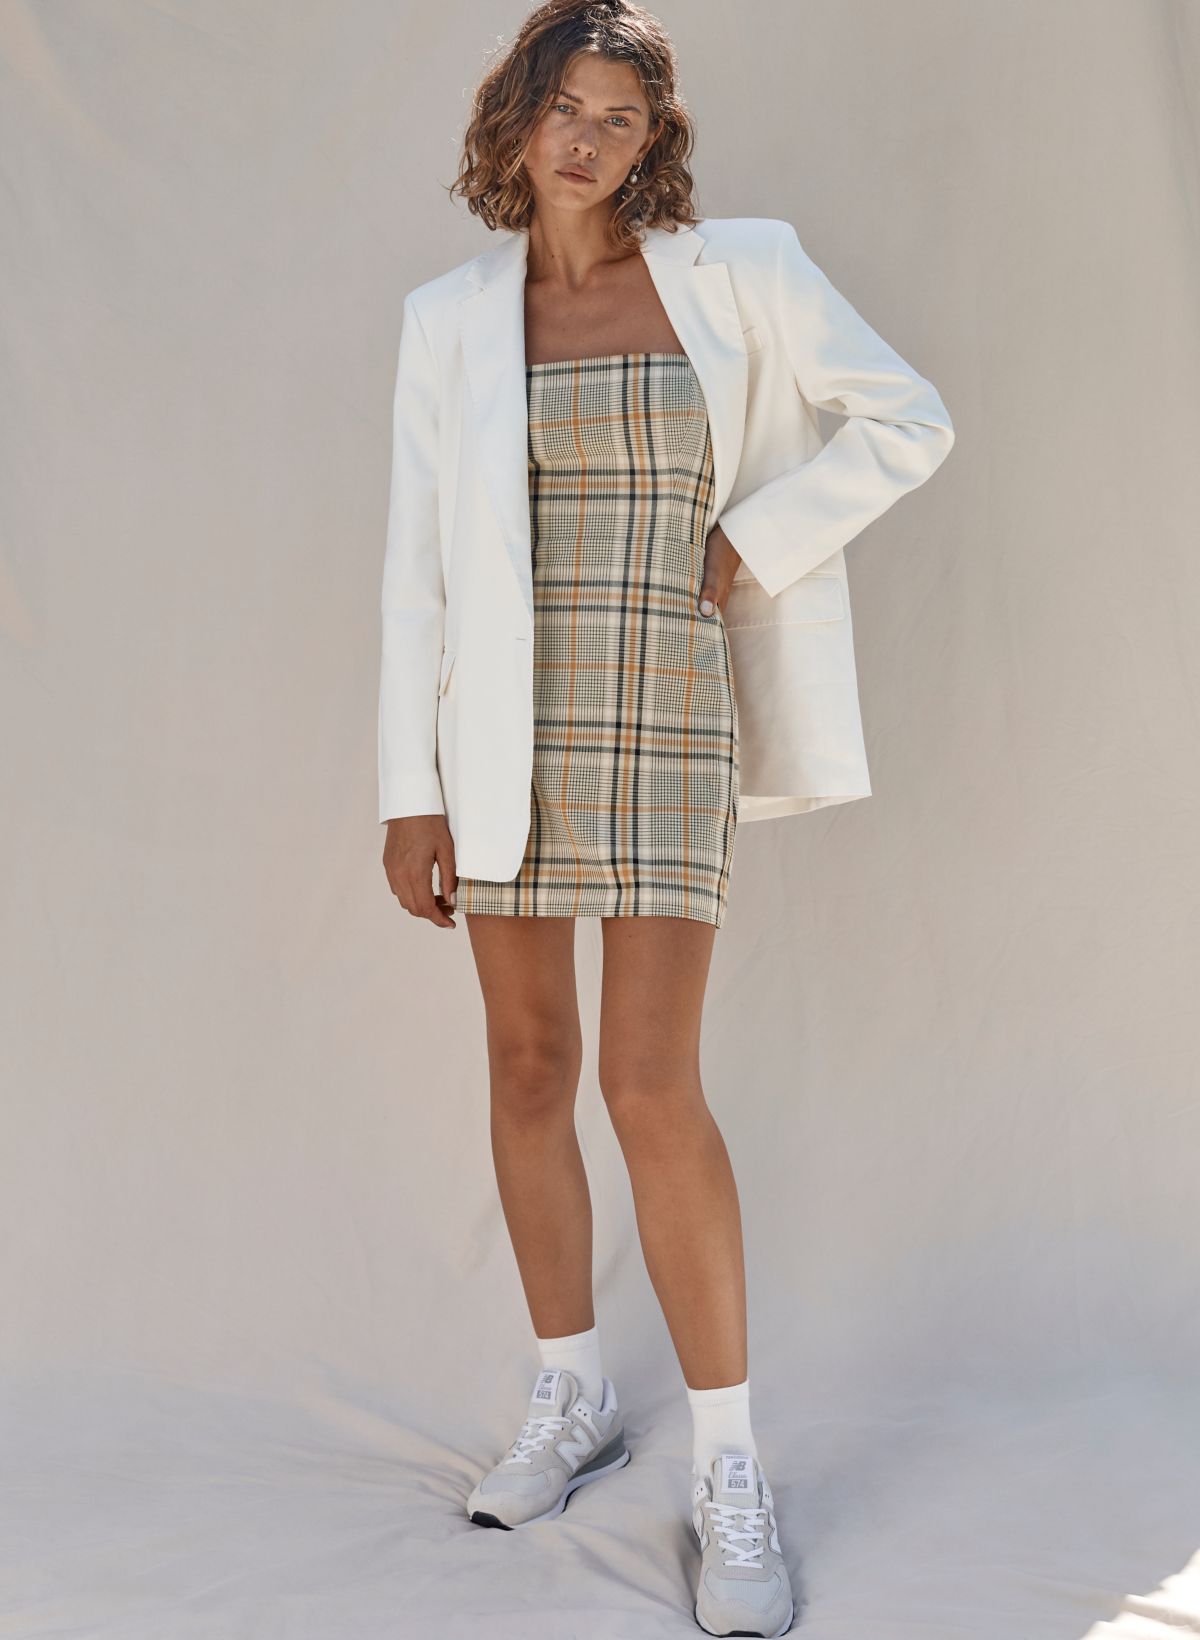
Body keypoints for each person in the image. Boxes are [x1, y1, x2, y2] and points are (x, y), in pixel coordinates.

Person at [379, 2, 954, 1634]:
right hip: (497, 735)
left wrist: (756, 540)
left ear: (655, 142)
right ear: (515, 117)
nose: (586, 138)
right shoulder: (448, 317)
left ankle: (728, 1466)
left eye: (619, 117)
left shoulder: (738, 270)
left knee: (647, 1084)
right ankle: (569, 1393)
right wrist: (407, 791)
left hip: (665, 713)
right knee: (525, 1065)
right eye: (562, 106)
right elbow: (414, 568)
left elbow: (909, 416)